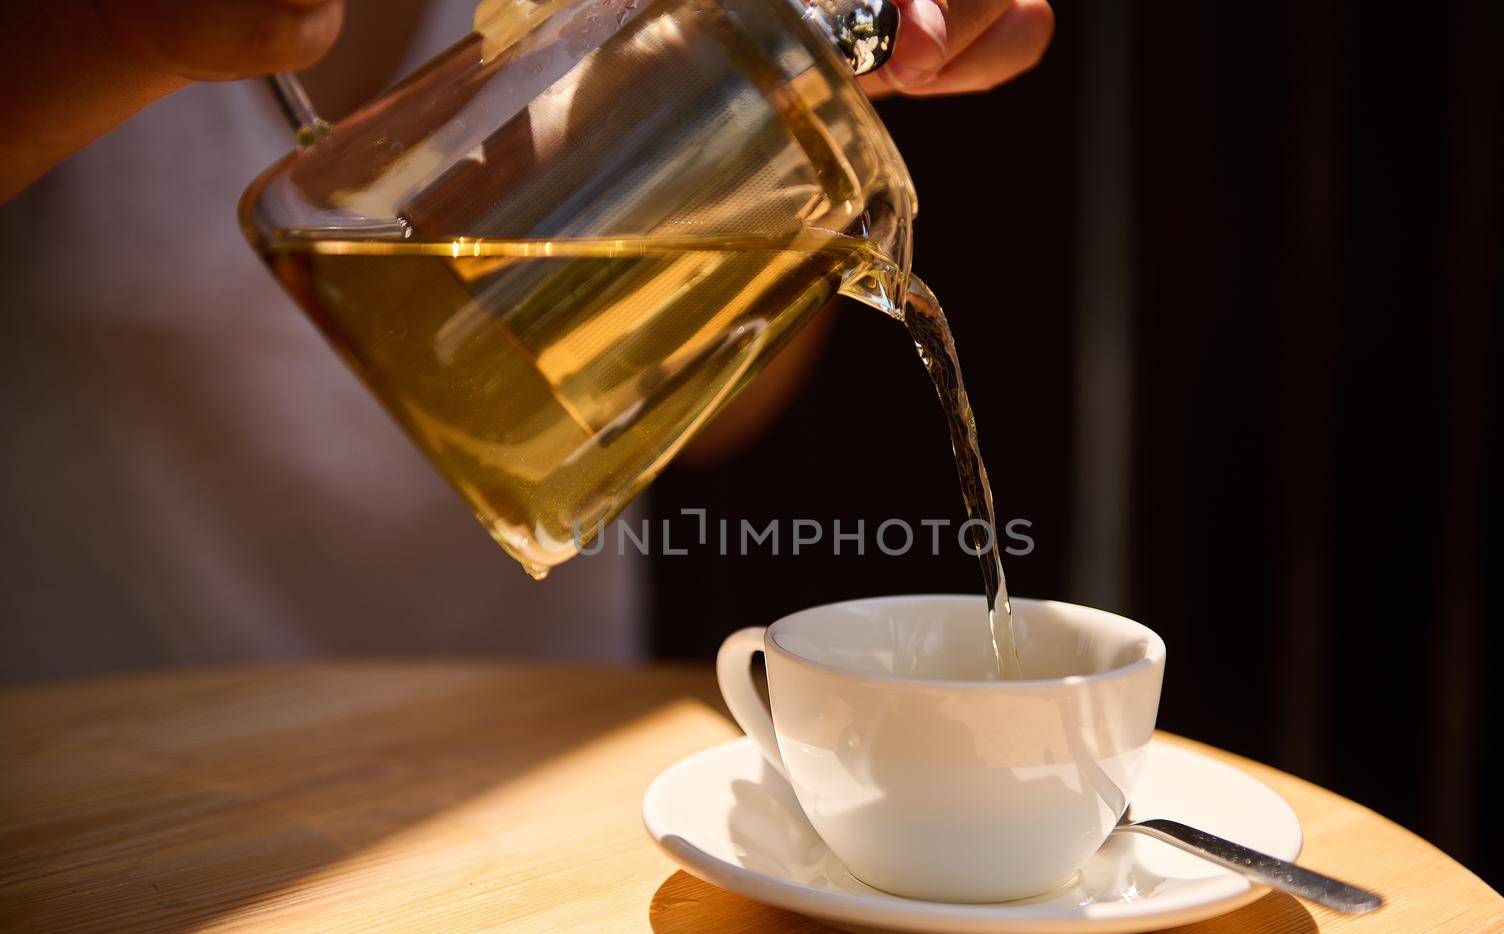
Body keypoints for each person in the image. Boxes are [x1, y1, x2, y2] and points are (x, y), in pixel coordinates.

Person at [0, 0, 1052, 682]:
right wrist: (118, 37)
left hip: (526, 782)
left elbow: (720, 412)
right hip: (99, 780)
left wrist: (762, 99)